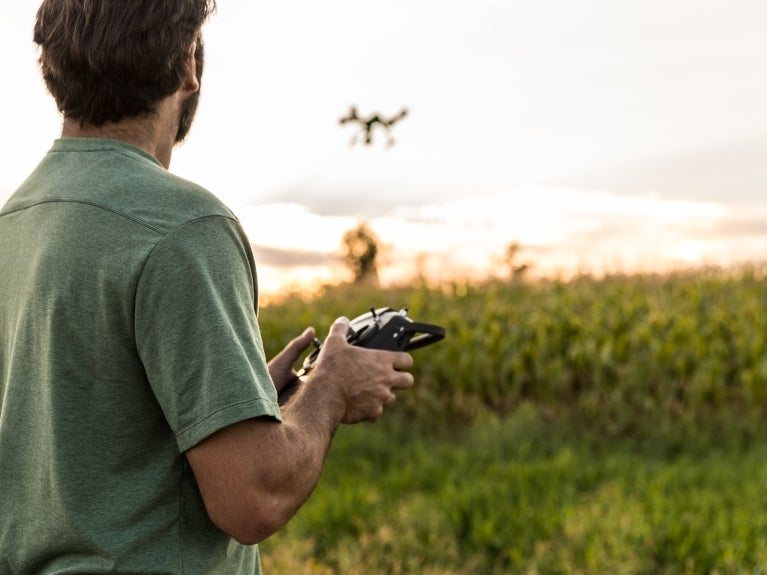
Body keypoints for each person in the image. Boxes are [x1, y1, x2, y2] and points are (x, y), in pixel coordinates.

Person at [0, 1, 414, 573]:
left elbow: (84, 432)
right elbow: (253, 496)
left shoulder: (14, 221)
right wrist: (331, 390)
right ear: (188, 61)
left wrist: (246, 402)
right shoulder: (183, 226)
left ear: (53, 66)